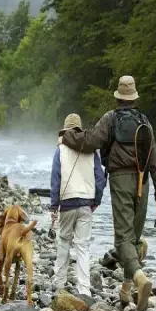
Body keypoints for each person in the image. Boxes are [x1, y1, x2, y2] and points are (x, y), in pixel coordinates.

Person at [59, 75, 156, 311]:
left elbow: (91, 141)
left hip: (121, 180)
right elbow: (155, 161)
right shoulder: (144, 121)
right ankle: (126, 291)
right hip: (144, 181)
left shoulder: (110, 118)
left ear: (119, 97)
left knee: (123, 239)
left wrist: (67, 136)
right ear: (134, 97)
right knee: (135, 238)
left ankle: (139, 279)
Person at [50, 113, 106, 297]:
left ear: (65, 131)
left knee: (64, 242)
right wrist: (96, 200)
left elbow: (56, 180)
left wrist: (53, 206)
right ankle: (84, 290)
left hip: (66, 203)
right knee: (83, 246)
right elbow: (100, 178)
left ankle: (59, 284)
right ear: (80, 130)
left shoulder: (60, 150)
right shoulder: (91, 150)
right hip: (86, 203)